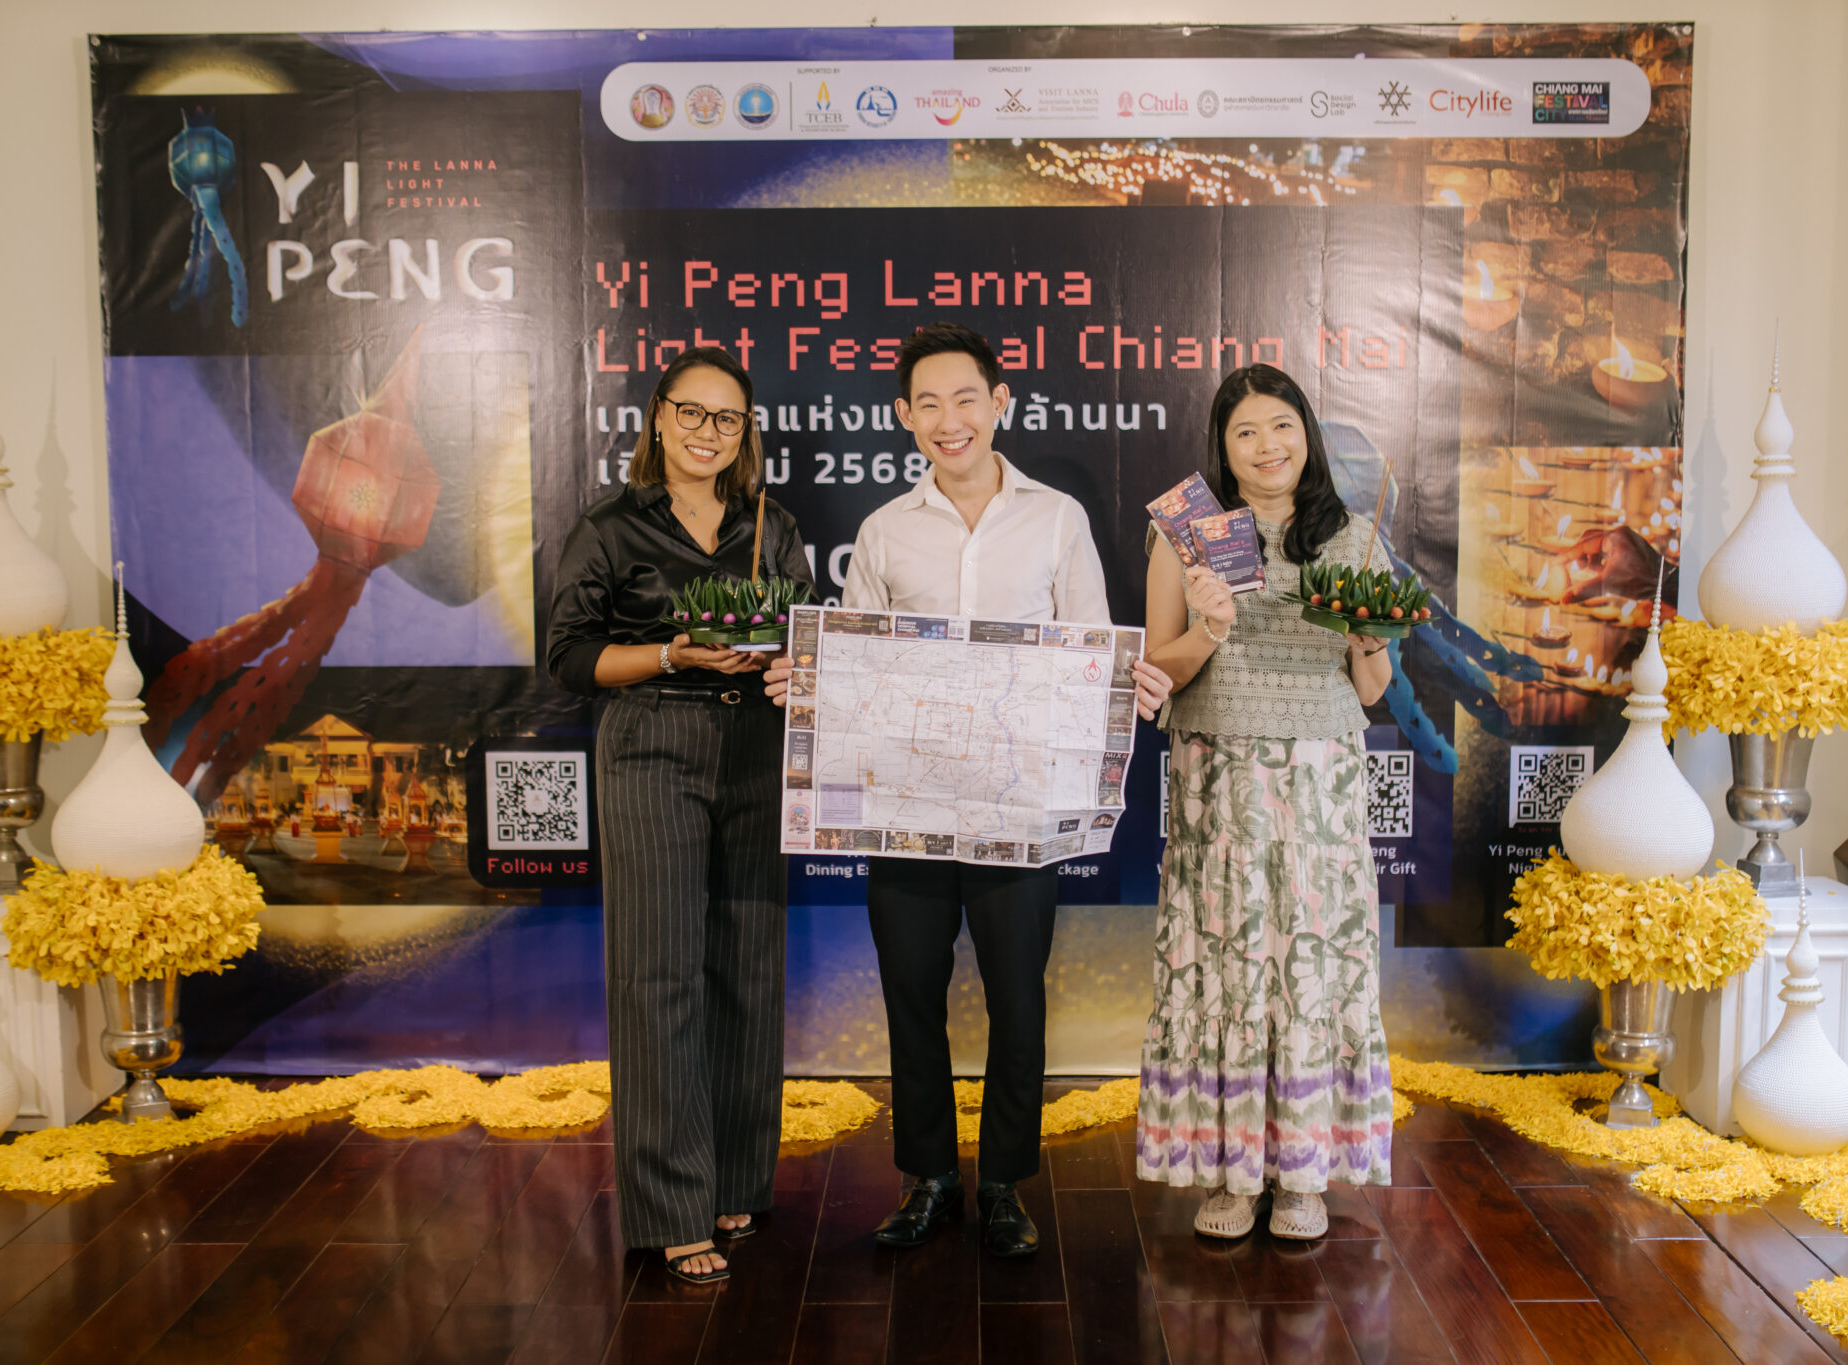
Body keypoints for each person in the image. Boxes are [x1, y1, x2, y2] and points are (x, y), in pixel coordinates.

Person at [766, 322, 1169, 1258]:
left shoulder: (1057, 518)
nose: (950, 421)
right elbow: (857, 662)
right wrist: (811, 682)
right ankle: (930, 1177)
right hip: (904, 812)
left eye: (966, 399)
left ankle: (1003, 1185)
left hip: (1018, 814)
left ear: (1000, 404)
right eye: (928, 404)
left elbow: (1088, 651)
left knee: (1017, 998)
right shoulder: (884, 530)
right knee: (911, 992)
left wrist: (1128, 682)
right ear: (905, 417)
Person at [548, 346, 814, 1284]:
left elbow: (806, 636)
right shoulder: (610, 526)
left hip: (756, 746)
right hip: (653, 739)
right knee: (658, 973)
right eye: (692, 413)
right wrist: (673, 653)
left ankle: (734, 1178)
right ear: (658, 417)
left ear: (746, 433)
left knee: (747, 967)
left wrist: (791, 667)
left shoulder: (771, 525)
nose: (708, 431)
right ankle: (670, 1208)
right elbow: (569, 656)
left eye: (727, 418)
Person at [1132, 364, 1397, 1241]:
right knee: (1229, 967)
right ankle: (1232, 1173)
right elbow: (1158, 670)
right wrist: (1209, 626)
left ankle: (1302, 1175)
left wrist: (1368, 640)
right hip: (1218, 778)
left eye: (1281, 425)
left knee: (1310, 966)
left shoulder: (1353, 538)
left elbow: (1372, 688)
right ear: (1224, 447)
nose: (1266, 445)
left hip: (1320, 783)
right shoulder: (1185, 538)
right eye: (1245, 431)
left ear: (1306, 434)